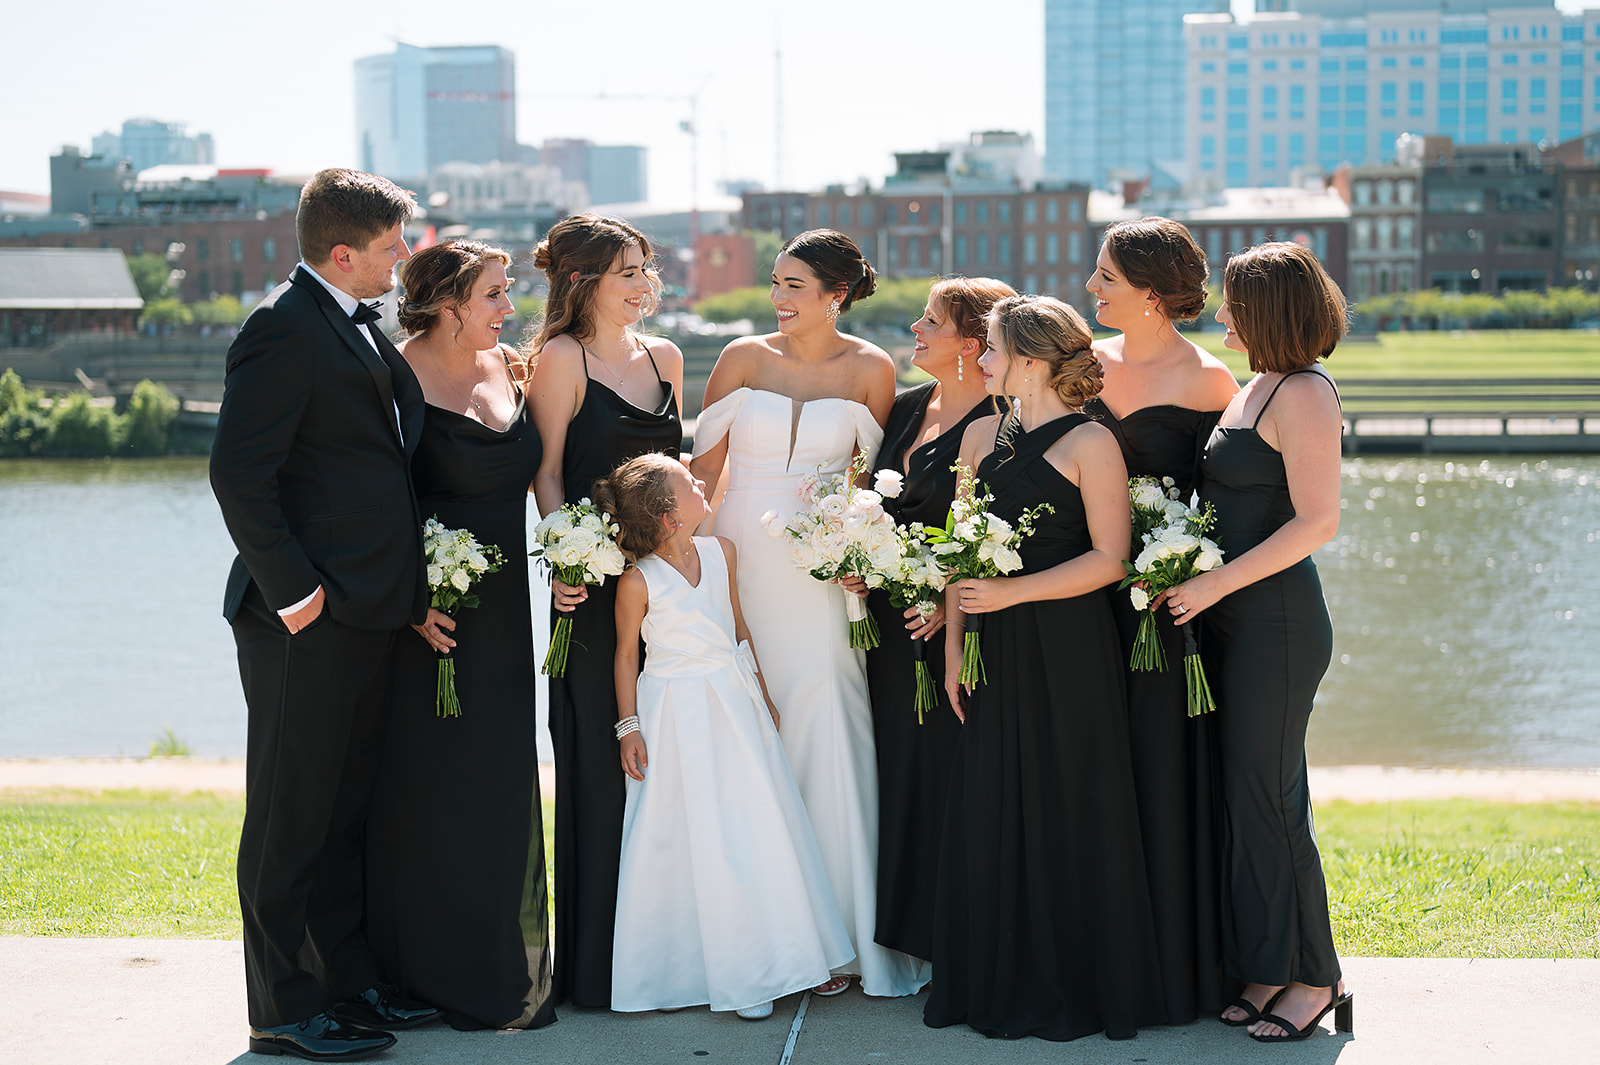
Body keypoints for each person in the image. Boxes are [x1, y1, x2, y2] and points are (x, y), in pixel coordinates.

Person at [210, 168, 441, 1061]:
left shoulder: (357, 324)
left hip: (367, 612)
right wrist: (296, 594)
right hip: (303, 619)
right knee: (286, 816)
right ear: (342, 253)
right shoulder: (280, 329)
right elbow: (240, 475)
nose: (402, 259)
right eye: (391, 248)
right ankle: (280, 1008)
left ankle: (345, 982)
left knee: (341, 811)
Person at [688, 230, 925, 998]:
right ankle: (759, 933)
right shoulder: (741, 358)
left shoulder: (872, 368)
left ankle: (841, 936)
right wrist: (692, 574)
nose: (778, 299)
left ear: (837, 295)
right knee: (746, 726)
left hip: (820, 571)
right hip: (737, 563)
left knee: (826, 722)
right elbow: (702, 475)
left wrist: (855, 557)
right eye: (776, 283)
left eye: (795, 285)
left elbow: (869, 484)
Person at [925, 295, 1162, 1042]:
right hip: (991, 648)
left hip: (1069, 647)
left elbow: (1111, 558)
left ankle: (1078, 979)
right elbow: (960, 553)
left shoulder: (1093, 443)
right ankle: (997, 973)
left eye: (990, 349)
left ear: (1029, 359)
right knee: (992, 798)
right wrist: (955, 639)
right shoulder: (977, 437)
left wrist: (1012, 591)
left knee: (1071, 796)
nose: (981, 361)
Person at [362, 240, 556, 1030]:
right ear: (446, 302)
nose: (508, 309)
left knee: (502, 783)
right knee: (425, 790)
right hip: (429, 616)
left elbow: (542, 474)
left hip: (506, 612)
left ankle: (499, 961)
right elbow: (371, 495)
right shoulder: (393, 374)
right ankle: (415, 972)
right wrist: (411, 597)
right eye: (493, 295)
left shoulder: (509, 363)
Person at [1164, 241, 1353, 1042]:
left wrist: (1212, 582)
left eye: (1235, 301)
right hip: (1229, 618)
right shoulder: (1253, 387)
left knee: (1271, 800)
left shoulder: (1304, 392)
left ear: (1268, 308)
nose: (1222, 313)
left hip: (1274, 623)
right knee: (1244, 799)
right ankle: (1268, 963)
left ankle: (1316, 974)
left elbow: (1318, 521)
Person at [599, 454, 854, 1019]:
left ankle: (791, 955)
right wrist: (628, 726)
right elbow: (624, 656)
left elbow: (739, 627)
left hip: (733, 703)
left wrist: (762, 696)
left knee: (758, 820)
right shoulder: (638, 581)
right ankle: (737, 971)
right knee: (701, 831)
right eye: (689, 482)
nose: (700, 479)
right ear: (669, 516)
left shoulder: (722, 553)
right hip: (674, 711)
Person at [1083, 217, 1240, 1024]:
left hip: (1160, 605)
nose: (1092, 288)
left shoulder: (1213, 383)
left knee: (1156, 767)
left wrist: (1178, 570)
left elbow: (1221, 512)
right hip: (1075, 601)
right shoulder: (1081, 363)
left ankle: (1167, 962)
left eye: (1105, 275)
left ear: (1150, 291)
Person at [525, 214, 684, 1008]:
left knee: (669, 757)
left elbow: (677, 477)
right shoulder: (559, 358)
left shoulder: (668, 356)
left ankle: (673, 949)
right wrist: (566, 558)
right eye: (628, 269)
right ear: (585, 280)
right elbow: (546, 475)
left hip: (665, 596)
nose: (643, 280)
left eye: (646, 266)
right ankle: (599, 965)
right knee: (599, 766)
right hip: (588, 596)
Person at [862, 277, 1011, 964]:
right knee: (898, 766)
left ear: (972, 343)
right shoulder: (909, 404)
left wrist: (940, 589)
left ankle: (960, 935)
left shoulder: (1002, 419)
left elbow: (991, 531)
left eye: (930, 320)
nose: (915, 329)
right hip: (889, 620)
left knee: (949, 769)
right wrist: (855, 553)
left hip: (951, 623)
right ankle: (908, 934)